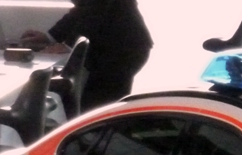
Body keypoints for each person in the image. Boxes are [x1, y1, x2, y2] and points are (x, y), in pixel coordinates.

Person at [20, 0, 153, 111]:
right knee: (95, 101)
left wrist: (69, 45)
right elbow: (81, 9)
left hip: (122, 48)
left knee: (102, 103)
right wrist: (51, 37)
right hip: (119, 46)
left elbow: (96, 10)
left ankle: (101, 131)